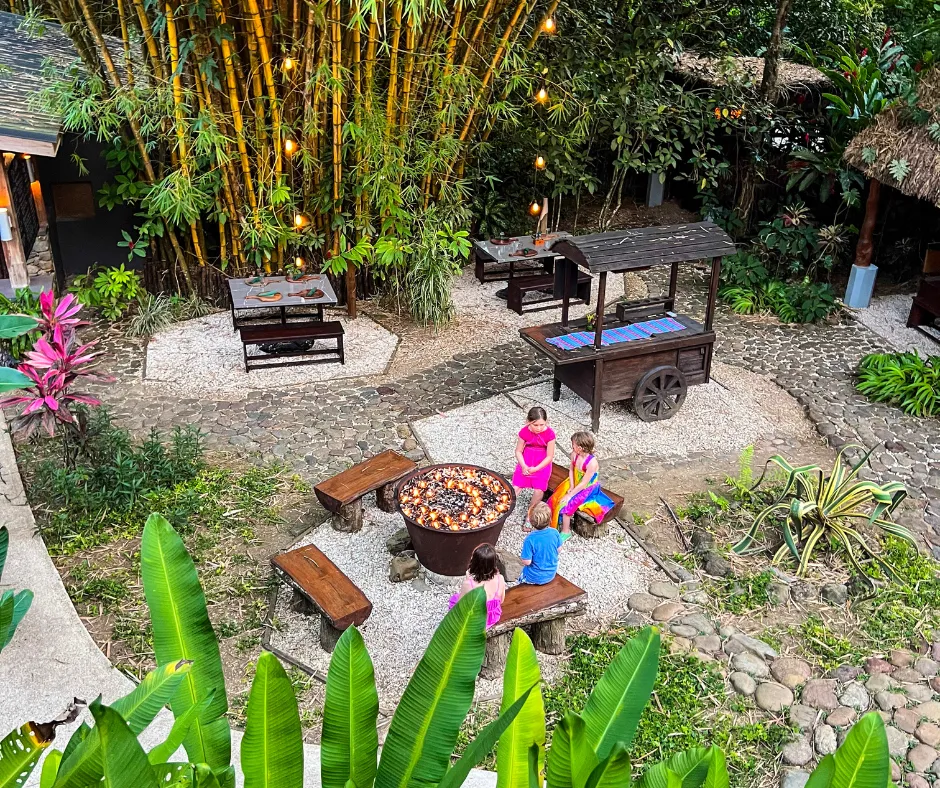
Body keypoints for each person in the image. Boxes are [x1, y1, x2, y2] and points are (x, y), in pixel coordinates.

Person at [547, 431, 615, 543]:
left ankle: (566, 531)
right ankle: (555, 521)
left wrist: (570, 495)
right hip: (574, 482)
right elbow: (571, 470)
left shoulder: (592, 463)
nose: (571, 446)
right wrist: (572, 485)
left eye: (573, 444)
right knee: (556, 498)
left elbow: (584, 484)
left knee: (567, 505)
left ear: (580, 448)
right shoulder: (574, 455)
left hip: (587, 489)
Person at [511, 406, 557, 530]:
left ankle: (530, 515)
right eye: (535, 425)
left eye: (542, 425)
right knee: (515, 487)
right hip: (526, 460)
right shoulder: (524, 432)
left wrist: (536, 468)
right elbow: (518, 451)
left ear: (546, 422)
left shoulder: (550, 434)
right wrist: (523, 465)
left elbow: (549, 456)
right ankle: (504, 508)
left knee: (538, 490)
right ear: (528, 422)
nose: (539, 428)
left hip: (542, 464)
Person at [448, 543, 506, 628]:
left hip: (476, 620)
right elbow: (501, 600)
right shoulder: (500, 578)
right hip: (492, 617)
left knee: (454, 600)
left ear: (475, 563)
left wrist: (468, 580)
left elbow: (460, 607)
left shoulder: (468, 585)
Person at [518, 502, 562, 585]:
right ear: (550, 519)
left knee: (521, 577)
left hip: (533, 577)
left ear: (531, 522)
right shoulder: (555, 532)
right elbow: (559, 549)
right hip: (551, 574)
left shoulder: (530, 539)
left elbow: (527, 562)